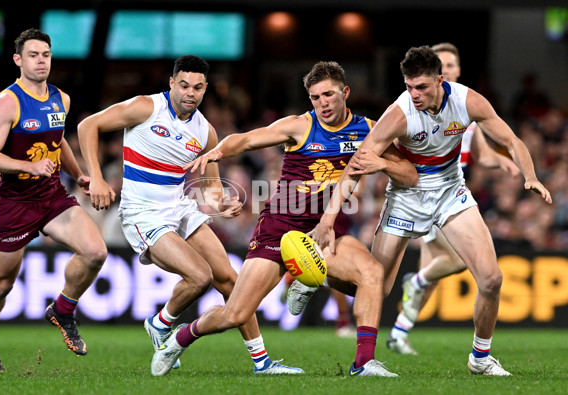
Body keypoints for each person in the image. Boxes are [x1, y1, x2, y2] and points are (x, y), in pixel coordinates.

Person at [155, 61, 418, 378]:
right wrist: (219, 151)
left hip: (323, 230)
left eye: (329, 95)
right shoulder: (300, 126)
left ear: (345, 92)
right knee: (235, 313)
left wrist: (382, 164)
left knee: (372, 273)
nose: (323, 103)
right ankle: (180, 338)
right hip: (279, 229)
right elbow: (248, 139)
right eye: (315, 97)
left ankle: (363, 363)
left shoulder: (369, 130)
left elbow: (410, 174)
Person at [306, 46, 552, 376]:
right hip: (406, 198)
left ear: (439, 80)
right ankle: (314, 273)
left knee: (492, 280)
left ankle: (480, 358)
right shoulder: (399, 113)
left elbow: (510, 140)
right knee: (375, 285)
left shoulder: (467, 101)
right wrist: (327, 219)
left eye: (421, 87)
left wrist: (531, 176)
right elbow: (355, 165)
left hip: (451, 193)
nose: (415, 94)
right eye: (409, 87)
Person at [77, 55, 302, 376]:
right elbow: (88, 125)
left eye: (197, 87)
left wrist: (221, 203)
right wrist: (96, 176)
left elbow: (210, 186)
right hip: (143, 213)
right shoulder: (146, 107)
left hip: (181, 208)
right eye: (183, 85)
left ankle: (262, 363)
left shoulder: (207, 133)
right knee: (200, 277)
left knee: (231, 281)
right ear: (171, 83)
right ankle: (161, 323)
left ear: (206, 89)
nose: (190, 93)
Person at [0, 28, 107, 372]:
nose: (41, 61)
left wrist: (78, 174)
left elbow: (58, 139)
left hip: (51, 197)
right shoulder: (8, 101)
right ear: (18, 60)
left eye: (45, 55)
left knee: (95, 252)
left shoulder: (60, 98)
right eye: (33, 55)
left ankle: (63, 309)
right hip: (14, 203)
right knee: (1, 285)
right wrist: (27, 165)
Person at [386, 42, 521, 356]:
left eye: (450, 65)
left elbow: (483, 153)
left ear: (454, 73)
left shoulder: (465, 110)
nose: (445, 70)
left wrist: (500, 161)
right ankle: (413, 287)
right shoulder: (415, 111)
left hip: (452, 193)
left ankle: (399, 331)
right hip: (427, 193)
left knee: (435, 273)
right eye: (440, 64)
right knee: (454, 262)